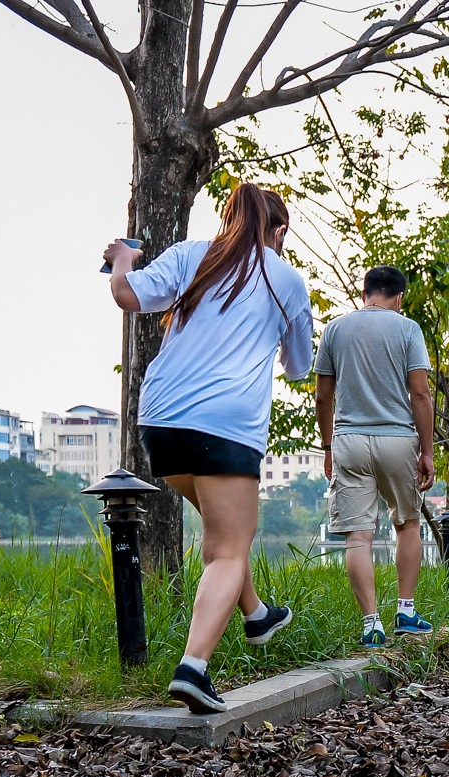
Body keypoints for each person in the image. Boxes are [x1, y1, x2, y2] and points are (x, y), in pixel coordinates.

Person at [103, 182, 314, 714]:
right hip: (225, 427)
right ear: (279, 231)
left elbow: (127, 296)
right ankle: (193, 668)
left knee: (224, 538)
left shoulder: (191, 255)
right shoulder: (285, 279)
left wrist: (125, 258)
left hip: (161, 423)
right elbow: (299, 367)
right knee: (228, 549)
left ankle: (257, 613)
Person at [315, 265, 437, 647]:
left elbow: (322, 397)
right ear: (399, 297)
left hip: (349, 440)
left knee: (358, 537)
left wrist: (328, 446)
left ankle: (371, 625)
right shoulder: (408, 329)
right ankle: (405, 610)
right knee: (408, 523)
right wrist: (427, 451)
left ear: (364, 292)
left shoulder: (335, 329)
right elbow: (420, 394)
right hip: (398, 439)